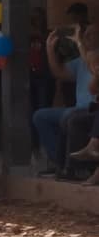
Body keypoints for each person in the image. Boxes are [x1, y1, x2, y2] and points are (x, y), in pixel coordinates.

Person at [35, 23, 96, 178]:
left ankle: (71, 166)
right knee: (40, 116)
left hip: (92, 109)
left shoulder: (91, 58)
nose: (86, 36)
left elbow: (91, 66)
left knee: (70, 117)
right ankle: (60, 162)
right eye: (85, 33)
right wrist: (50, 49)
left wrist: (79, 42)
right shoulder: (81, 59)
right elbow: (60, 73)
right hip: (76, 108)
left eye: (91, 34)